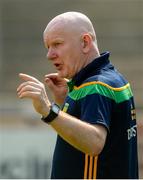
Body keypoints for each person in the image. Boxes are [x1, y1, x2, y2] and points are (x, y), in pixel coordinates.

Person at [17, 11, 138, 179]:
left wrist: (48, 109)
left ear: (85, 42)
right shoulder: (113, 78)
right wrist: (64, 100)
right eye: (48, 47)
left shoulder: (96, 87)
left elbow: (94, 142)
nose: (49, 55)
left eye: (57, 44)